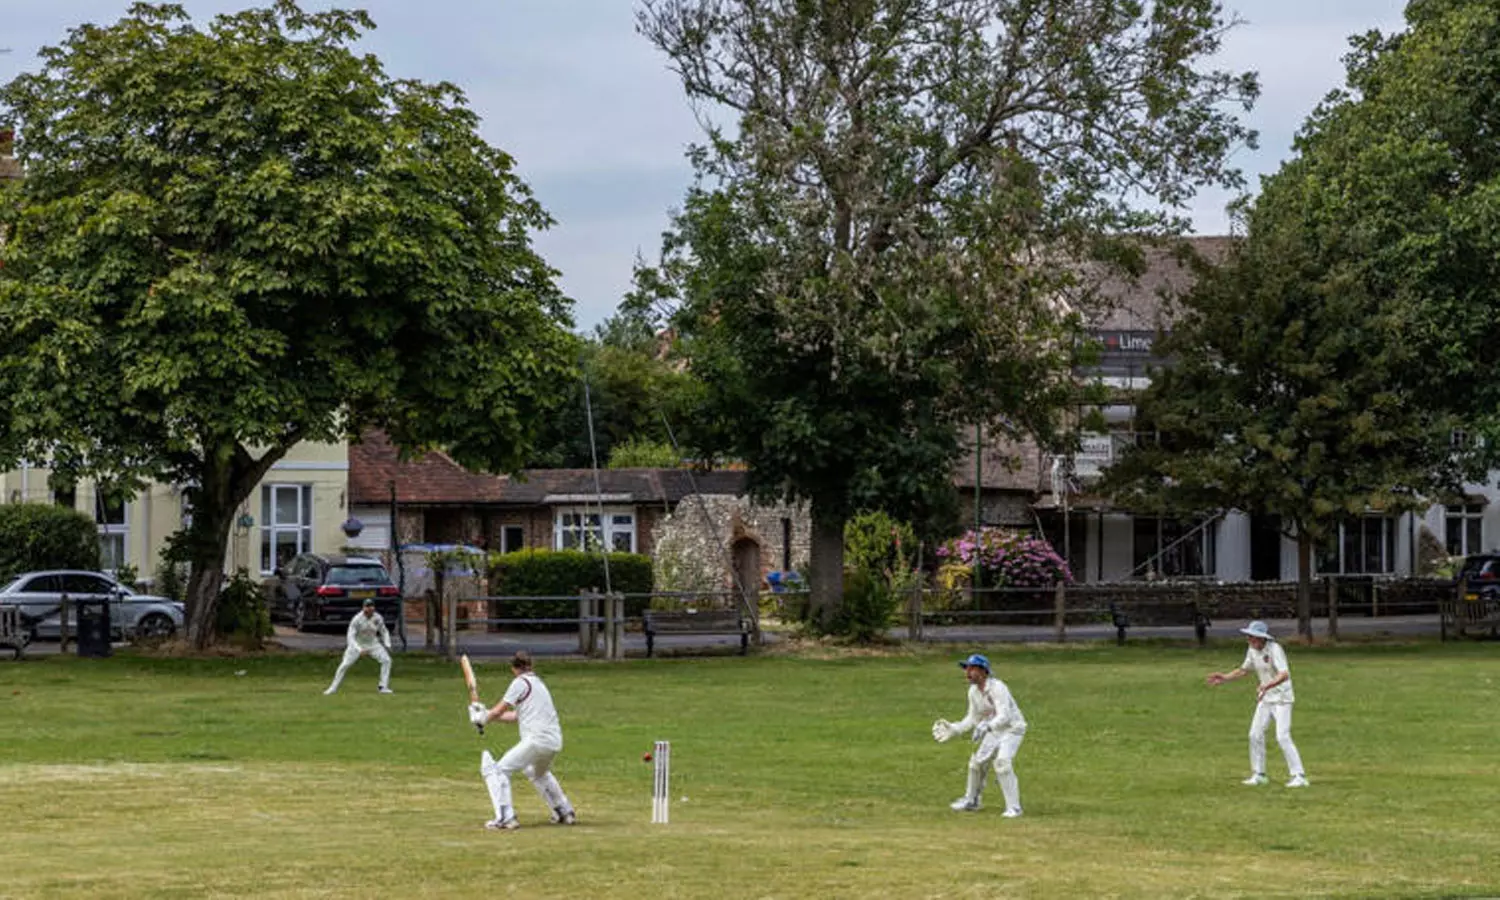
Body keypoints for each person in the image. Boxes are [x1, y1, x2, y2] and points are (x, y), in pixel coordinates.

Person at [467, 650, 577, 831]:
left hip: (536, 739)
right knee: (536, 772)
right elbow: (515, 716)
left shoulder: (519, 683)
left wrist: (484, 717)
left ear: (513, 669)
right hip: (553, 741)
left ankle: (505, 817)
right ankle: (564, 811)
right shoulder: (538, 684)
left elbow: (501, 709)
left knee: (498, 771)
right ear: (530, 666)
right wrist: (486, 714)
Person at [1206, 620, 1308, 788]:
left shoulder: (1275, 649)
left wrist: (1267, 685)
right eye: (1249, 637)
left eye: (1253, 637)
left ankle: (1299, 775)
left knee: (1282, 736)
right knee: (1255, 734)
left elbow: (1284, 674)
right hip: (1266, 698)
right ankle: (1259, 774)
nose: (1250, 640)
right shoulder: (1252, 650)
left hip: (1282, 698)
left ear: (1262, 638)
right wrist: (1224, 677)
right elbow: (1244, 670)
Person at [932, 652, 1027, 817]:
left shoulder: (998, 688)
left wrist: (987, 726)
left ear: (984, 671)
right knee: (976, 763)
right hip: (993, 730)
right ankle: (972, 801)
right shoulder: (973, 692)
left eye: (972, 668)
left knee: (1002, 763)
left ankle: (1014, 807)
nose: (968, 672)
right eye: (966, 668)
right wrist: (955, 729)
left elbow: (1005, 715)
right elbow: (972, 718)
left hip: (1013, 729)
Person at [323, 598, 393, 695]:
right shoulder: (357, 619)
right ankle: (333, 688)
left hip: (373, 644)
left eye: (371, 607)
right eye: (367, 607)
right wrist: (359, 649)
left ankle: (383, 687)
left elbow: (384, 631)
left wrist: (387, 643)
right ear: (363, 608)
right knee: (344, 665)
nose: (369, 609)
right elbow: (350, 637)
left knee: (387, 660)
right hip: (357, 644)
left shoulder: (378, 618)